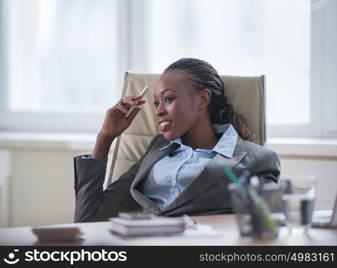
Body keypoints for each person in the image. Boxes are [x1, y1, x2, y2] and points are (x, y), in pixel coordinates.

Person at [74, 58, 280, 222]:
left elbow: (265, 228)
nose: (159, 111)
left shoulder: (258, 159)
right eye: (156, 103)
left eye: (169, 98)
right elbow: (89, 219)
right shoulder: (157, 150)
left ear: (202, 100)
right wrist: (104, 138)